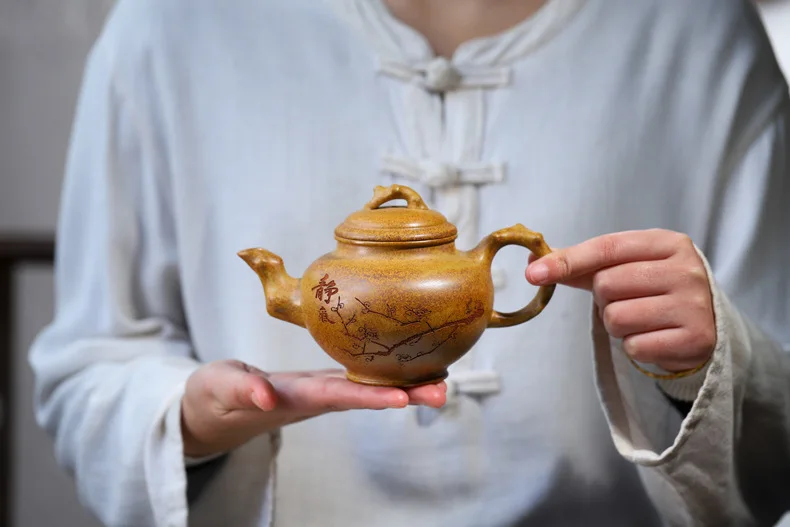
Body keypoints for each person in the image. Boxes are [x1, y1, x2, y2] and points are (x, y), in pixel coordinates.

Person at [29, 0, 790, 525]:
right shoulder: (172, 24)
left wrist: (706, 364)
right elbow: (89, 361)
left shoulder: (697, 32)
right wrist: (184, 421)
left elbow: (778, 409)